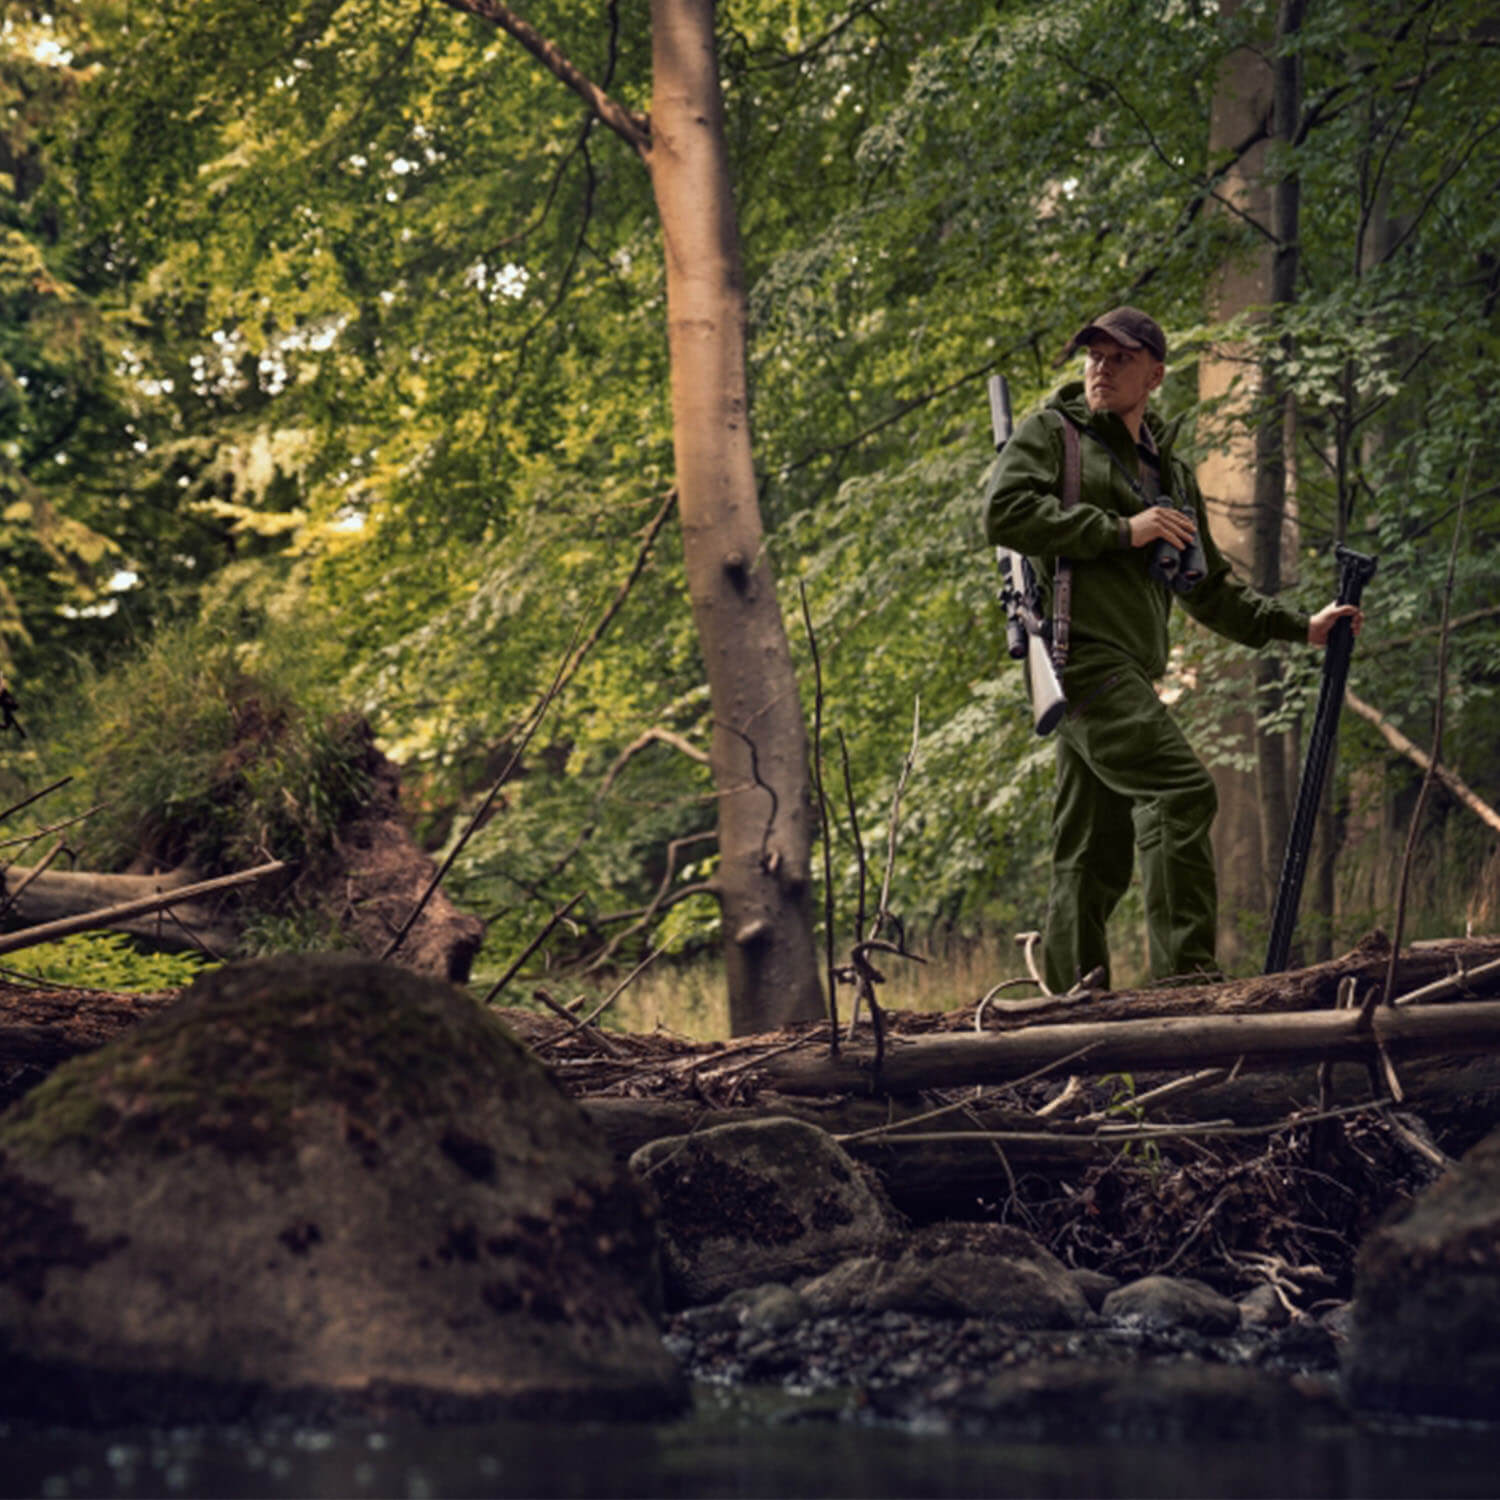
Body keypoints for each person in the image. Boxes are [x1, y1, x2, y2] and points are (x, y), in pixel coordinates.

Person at [984, 305, 1361, 993]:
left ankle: (1072, 1005)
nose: (1100, 367)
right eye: (1093, 355)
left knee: (1091, 851)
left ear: (1154, 373)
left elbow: (1211, 591)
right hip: (1082, 660)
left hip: (1126, 672)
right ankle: (1188, 983)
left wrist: (1299, 626)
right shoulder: (1055, 435)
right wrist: (1121, 531)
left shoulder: (1172, 476)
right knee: (1182, 791)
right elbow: (1002, 513)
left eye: (1119, 358)